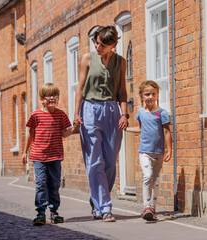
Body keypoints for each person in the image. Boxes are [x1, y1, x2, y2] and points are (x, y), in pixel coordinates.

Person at [74, 26, 128, 222]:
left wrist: (125, 114)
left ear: (113, 45)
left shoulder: (121, 62)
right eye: (96, 42)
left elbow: (122, 91)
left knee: (111, 161)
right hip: (90, 110)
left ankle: (96, 200)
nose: (97, 46)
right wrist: (76, 114)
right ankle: (105, 208)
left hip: (112, 112)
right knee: (94, 160)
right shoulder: (87, 58)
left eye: (102, 44)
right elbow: (80, 88)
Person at [22, 83, 80, 226]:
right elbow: (30, 134)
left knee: (54, 184)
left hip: (55, 155)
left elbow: (64, 133)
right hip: (38, 156)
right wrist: (24, 152)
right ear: (41, 99)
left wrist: (74, 129)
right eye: (48, 95)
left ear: (58, 97)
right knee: (41, 184)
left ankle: (54, 212)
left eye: (54, 95)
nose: (52, 98)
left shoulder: (61, 115)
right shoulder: (36, 115)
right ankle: (40, 213)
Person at [126, 80, 172, 221]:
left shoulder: (162, 113)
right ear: (141, 96)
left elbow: (167, 132)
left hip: (158, 152)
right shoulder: (140, 112)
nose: (150, 97)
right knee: (147, 176)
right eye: (147, 94)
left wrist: (169, 149)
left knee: (155, 181)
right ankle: (146, 206)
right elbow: (140, 129)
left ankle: (153, 208)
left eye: (153, 94)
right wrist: (126, 129)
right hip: (144, 151)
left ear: (157, 95)